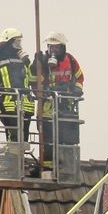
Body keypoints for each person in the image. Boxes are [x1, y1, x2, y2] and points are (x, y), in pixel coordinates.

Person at [35, 31, 84, 174]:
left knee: (67, 138)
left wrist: (76, 89)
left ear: (62, 47)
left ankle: (66, 167)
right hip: (47, 108)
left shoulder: (71, 60)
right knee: (48, 140)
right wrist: (45, 90)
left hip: (66, 107)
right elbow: (35, 82)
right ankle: (48, 168)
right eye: (51, 47)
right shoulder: (42, 62)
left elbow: (79, 77)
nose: (53, 50)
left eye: (56, 47)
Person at [0, 28, 36, 144]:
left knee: (24, 139)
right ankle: (12, 154)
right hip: (8, 103)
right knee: (13, 137)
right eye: (16, 41)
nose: (19, 45)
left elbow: (31, 79)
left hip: (26, 104)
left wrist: (35, 65)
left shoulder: (23, 60)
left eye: (20, 41)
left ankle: (19, 154)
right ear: (8, 42)